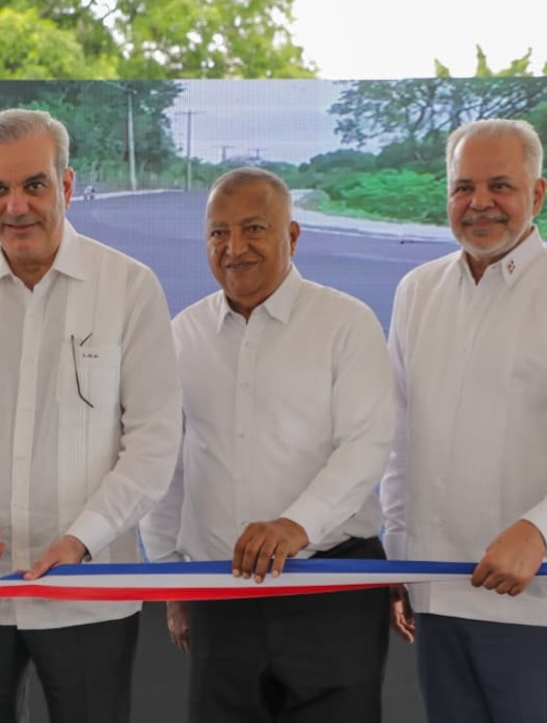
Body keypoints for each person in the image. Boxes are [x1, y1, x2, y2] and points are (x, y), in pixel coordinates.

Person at [0, 108, 182, 723]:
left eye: (34, 185)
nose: (15, 206)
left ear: (66, 185)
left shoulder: (129, 288)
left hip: (89, 594)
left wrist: (83, 539)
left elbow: (154, 443)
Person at [379, 119, 547, 723]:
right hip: (439, 597)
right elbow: (399, 442)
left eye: (500, 185)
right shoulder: (416, 291)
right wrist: (399, 554)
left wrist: (537, 531)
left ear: (537, 194)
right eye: (463, 187)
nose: (480, 203)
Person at [140, 167, 395, 722]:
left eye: (253, 229)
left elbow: (365, 445)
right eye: (218, 233)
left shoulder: (345, 324)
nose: (234, 248)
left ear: (292, 236)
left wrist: (294, 525)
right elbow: (165, 464)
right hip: (221, 594)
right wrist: (170, 575)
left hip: (331, 587)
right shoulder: (182, 335)